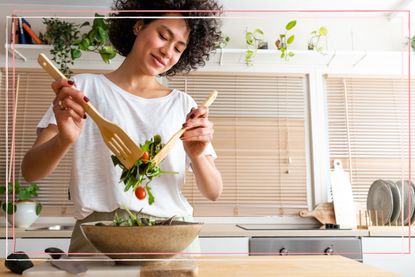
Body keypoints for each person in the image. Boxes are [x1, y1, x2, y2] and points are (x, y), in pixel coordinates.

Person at [21, 0, 223, 254]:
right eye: (163, 36)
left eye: (178, 48)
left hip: (171, 236)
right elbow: (30, 172)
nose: (167, 52)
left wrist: (197, 156)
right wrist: (64, 139)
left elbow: (214, 191)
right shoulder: (82, 90)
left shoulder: (184, 104)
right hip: (98, 236)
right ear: (139, 25)